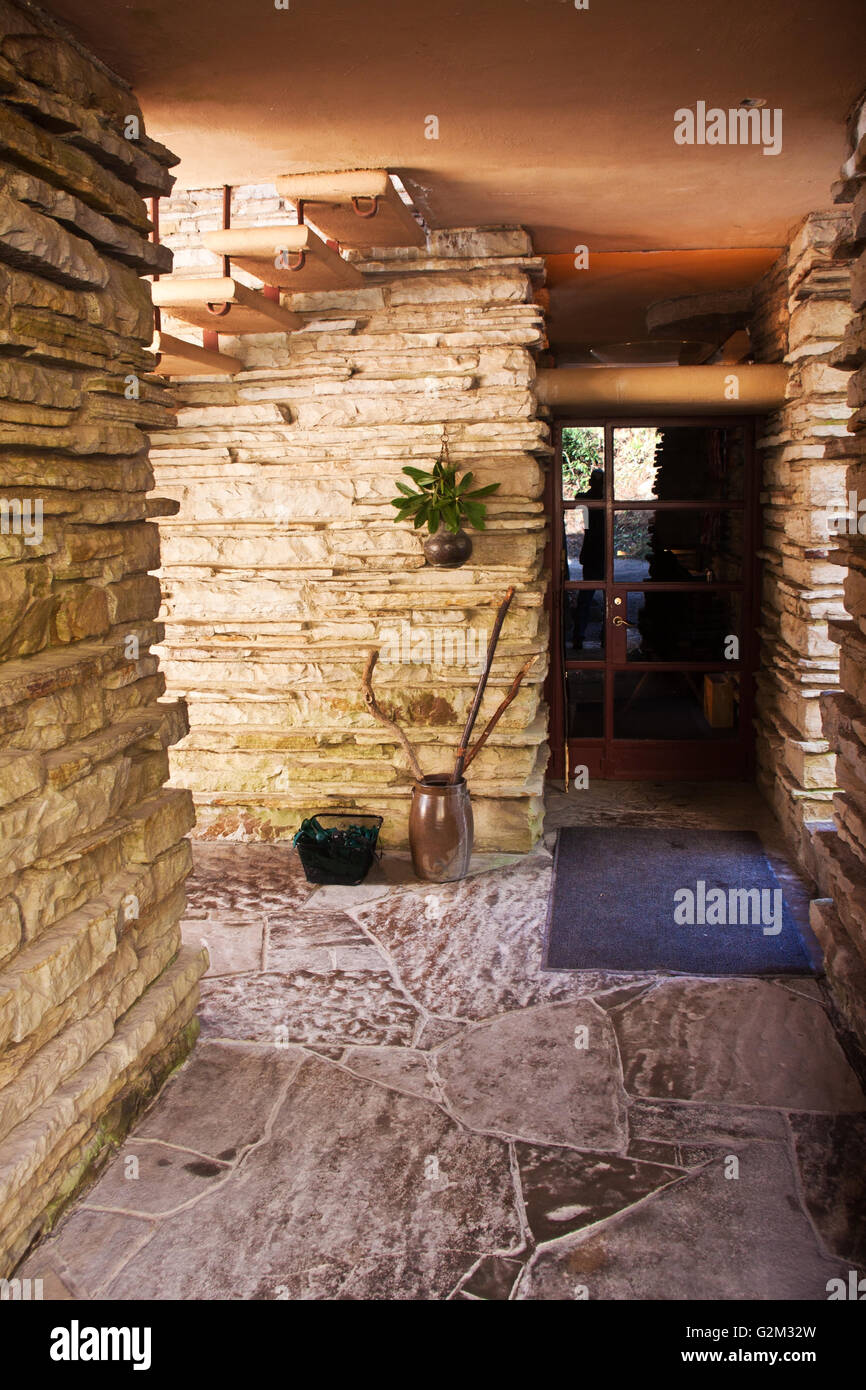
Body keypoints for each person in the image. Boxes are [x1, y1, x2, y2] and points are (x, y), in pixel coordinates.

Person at [573, 468, 605, 648]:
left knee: (586, 597)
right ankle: (604, 637)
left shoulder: (590, 499)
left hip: (593, 548)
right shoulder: (603, 497)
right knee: (605, 595)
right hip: (601, 549)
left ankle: (579, 635)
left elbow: (579, 498)